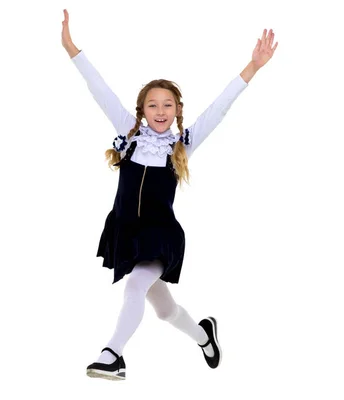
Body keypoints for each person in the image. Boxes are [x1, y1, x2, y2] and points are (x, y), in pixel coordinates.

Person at [61, 8, 278, 381]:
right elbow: (98, 88)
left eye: (167, 105)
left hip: (159, 236)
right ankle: (203, 335)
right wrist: (71, 48)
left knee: (134, 287)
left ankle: (113, 353)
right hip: (127, 232)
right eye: (152, 104)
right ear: (142, 111)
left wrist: (252, 68)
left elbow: (220, 107)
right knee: (164, 310)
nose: (160, 111)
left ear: (177, 110)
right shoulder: (129, 135)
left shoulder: (181, 145)